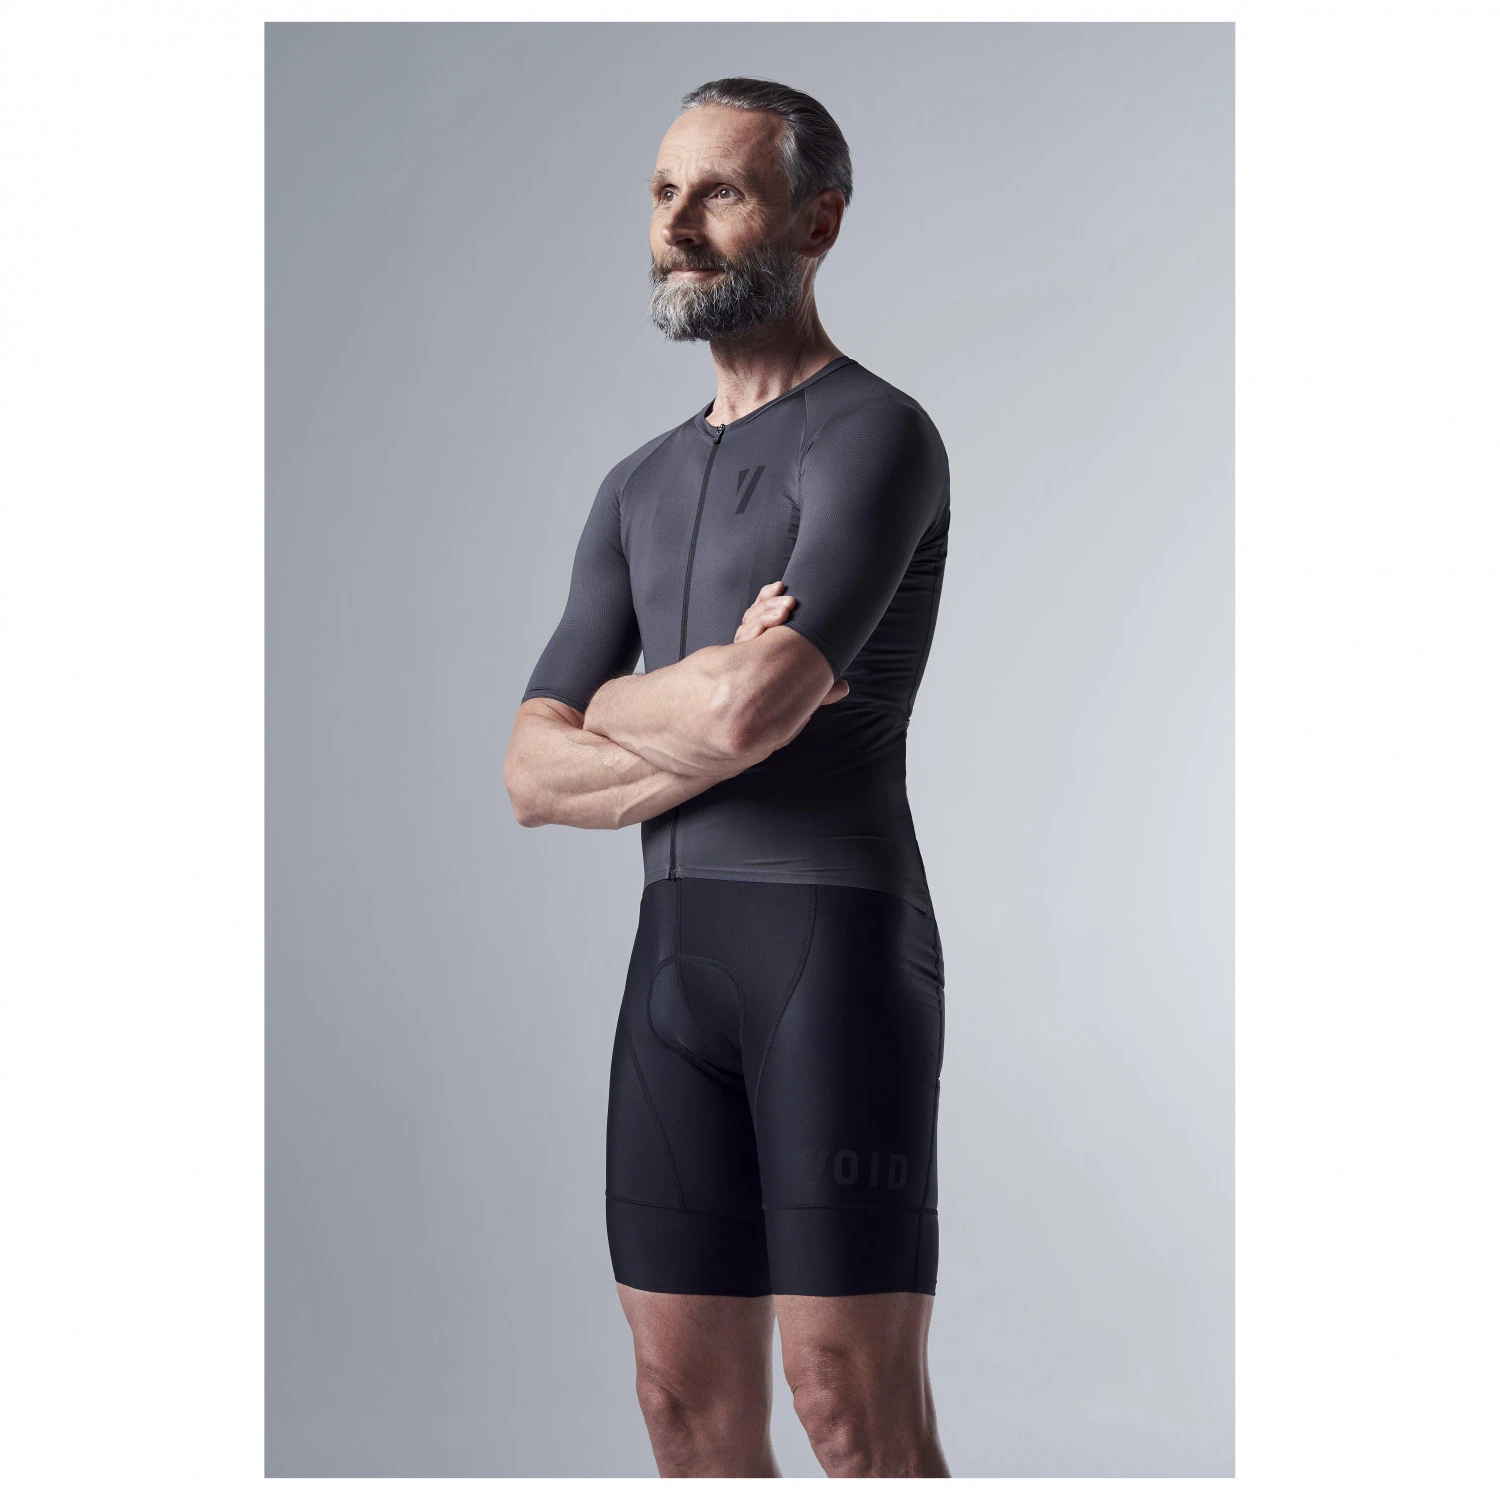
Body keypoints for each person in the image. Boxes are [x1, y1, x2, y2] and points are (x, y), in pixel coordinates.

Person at [504, 77, 952, 1479]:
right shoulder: (634, 485)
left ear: (818, 222)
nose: (678, 224)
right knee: (678, 1410)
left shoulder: (875, 434)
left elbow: (755, 706)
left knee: (846, 1407)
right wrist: (687, 701)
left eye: (721, 192)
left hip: (835, 955)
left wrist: (621, 708)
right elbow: (528, 772)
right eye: (662, 193)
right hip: (674, 972)